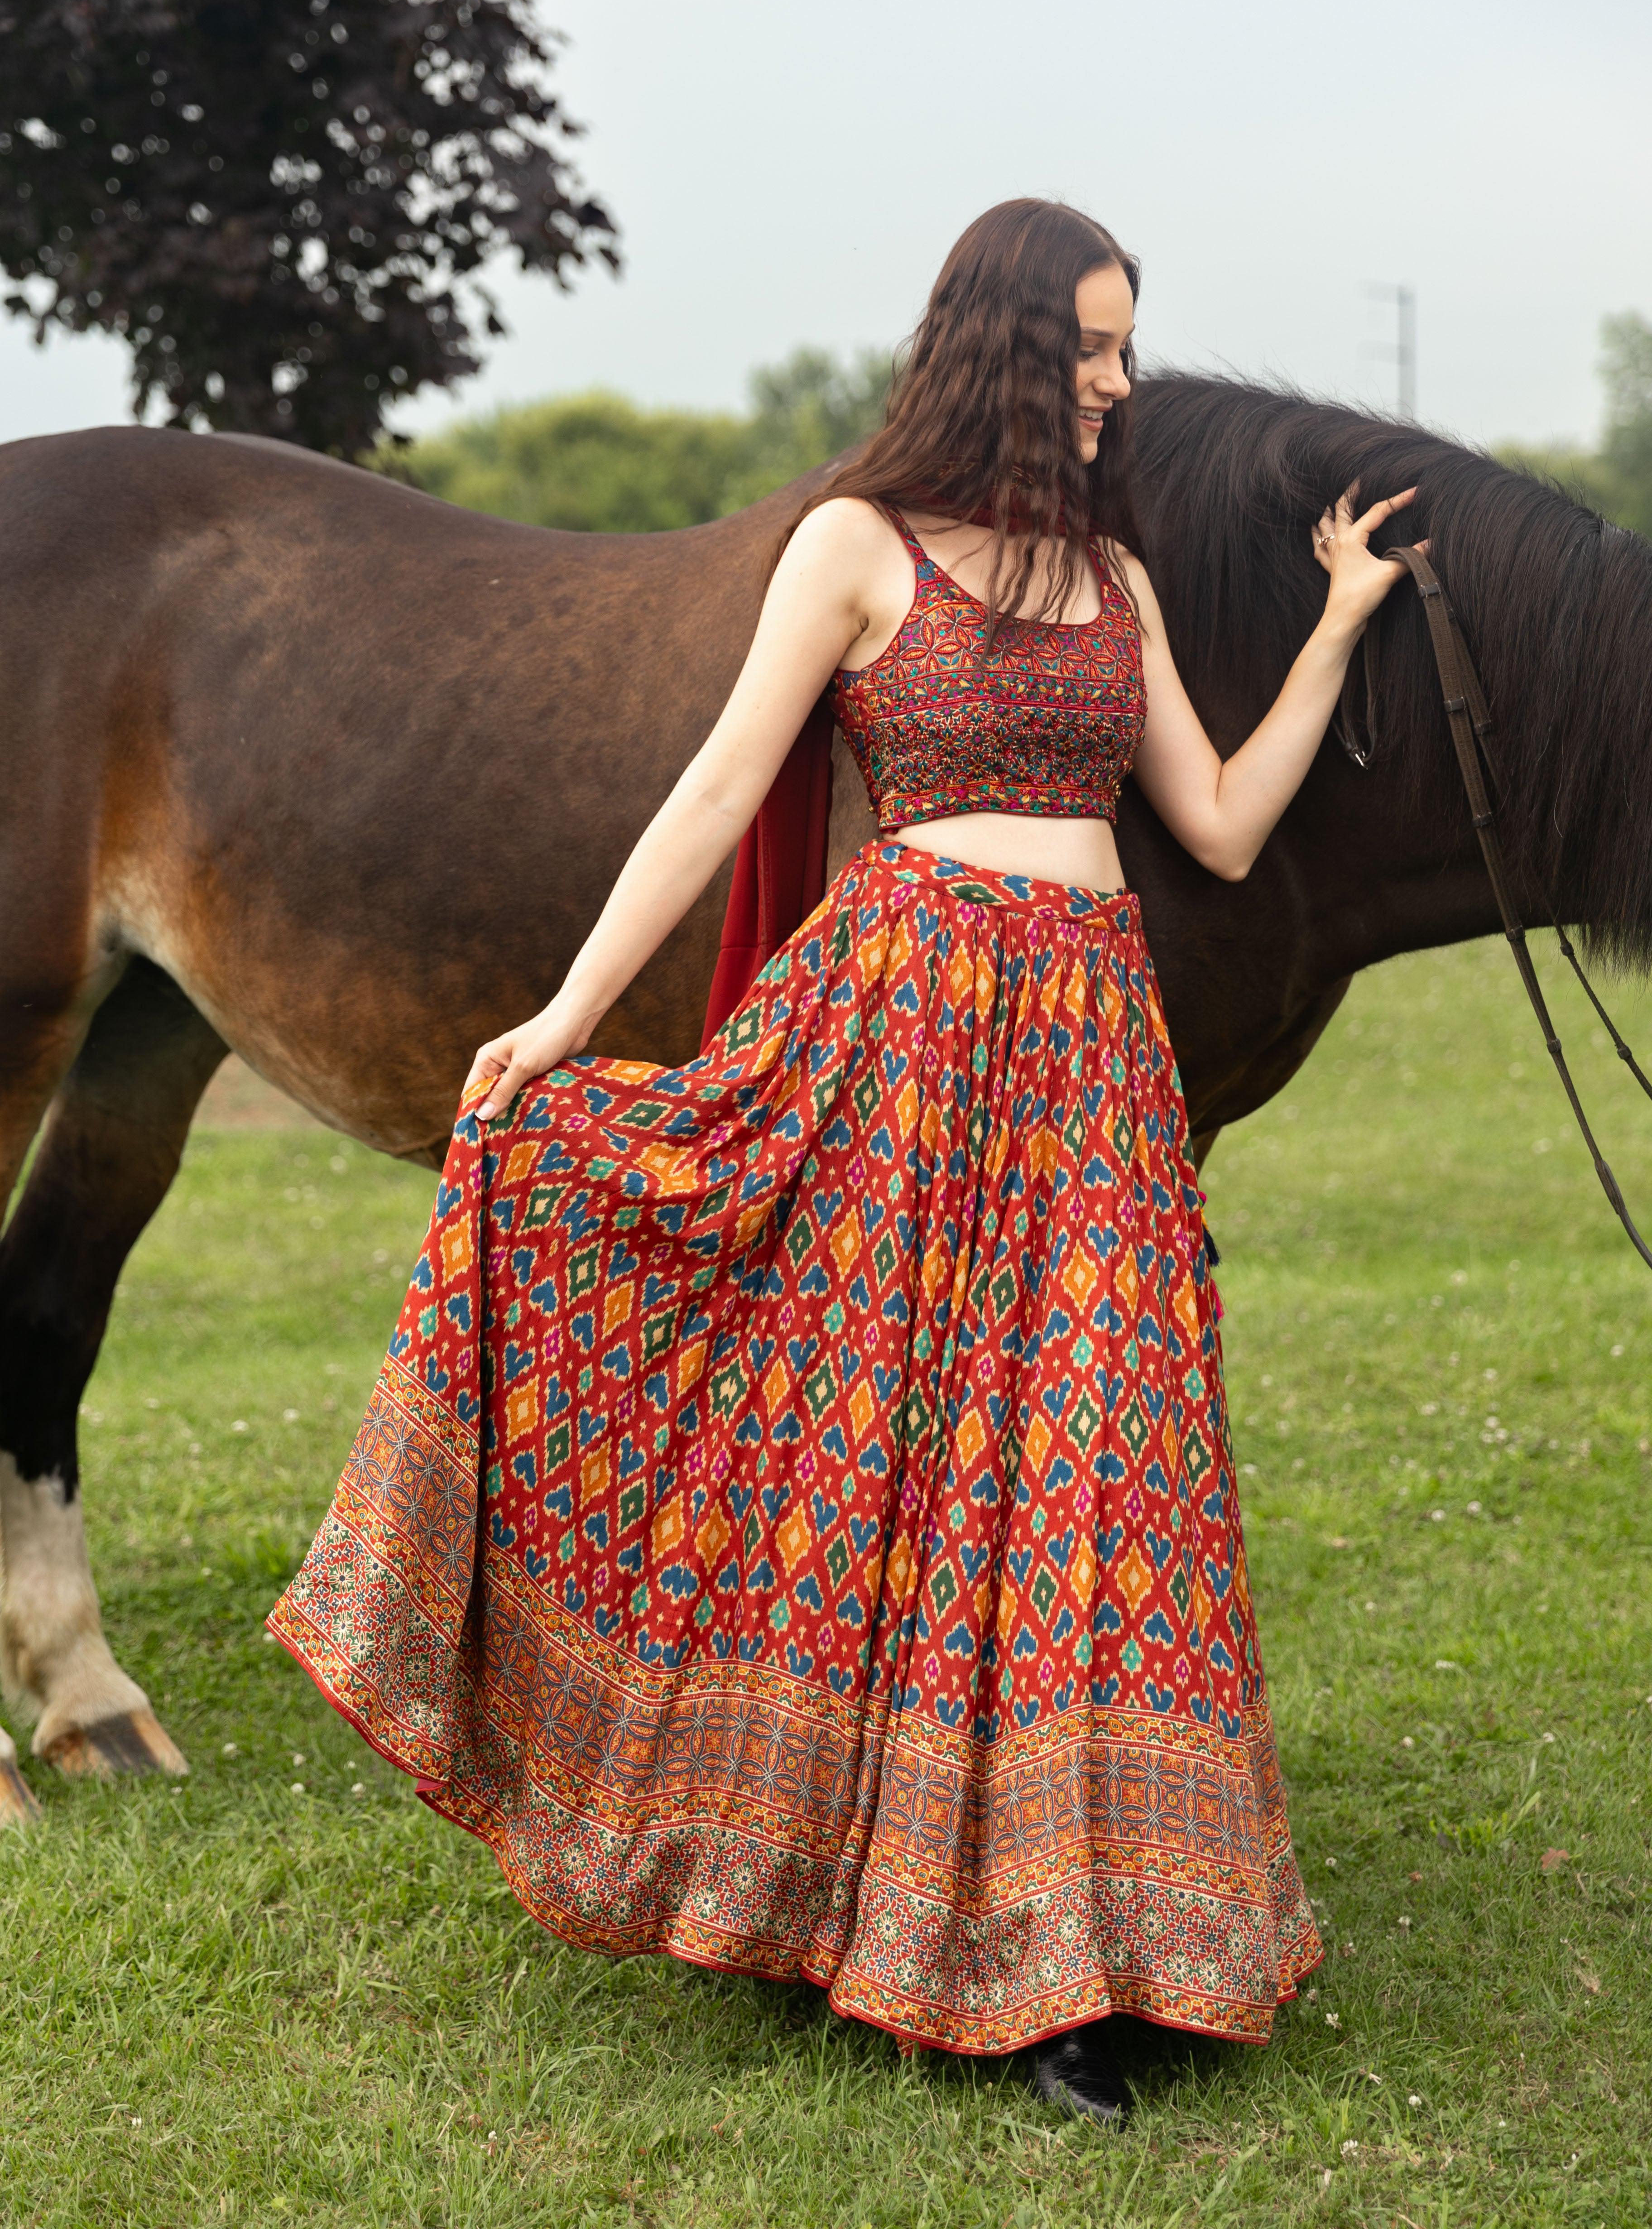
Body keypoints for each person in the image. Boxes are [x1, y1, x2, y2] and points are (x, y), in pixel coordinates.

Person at [270, 197, 1415, 2122]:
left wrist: (1337, 632)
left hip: (1092, 1070)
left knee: (1094, 1491)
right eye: (1095, 350)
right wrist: (562, 1020)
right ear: (1001, 345)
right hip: (902, 1047)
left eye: (1128, 350)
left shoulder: (1117, 584)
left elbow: (1214, 824)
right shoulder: (854, 550)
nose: (1121, 386)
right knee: (895, 1472)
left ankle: (1081, 1952)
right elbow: (723, 782)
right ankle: (858, 1904)